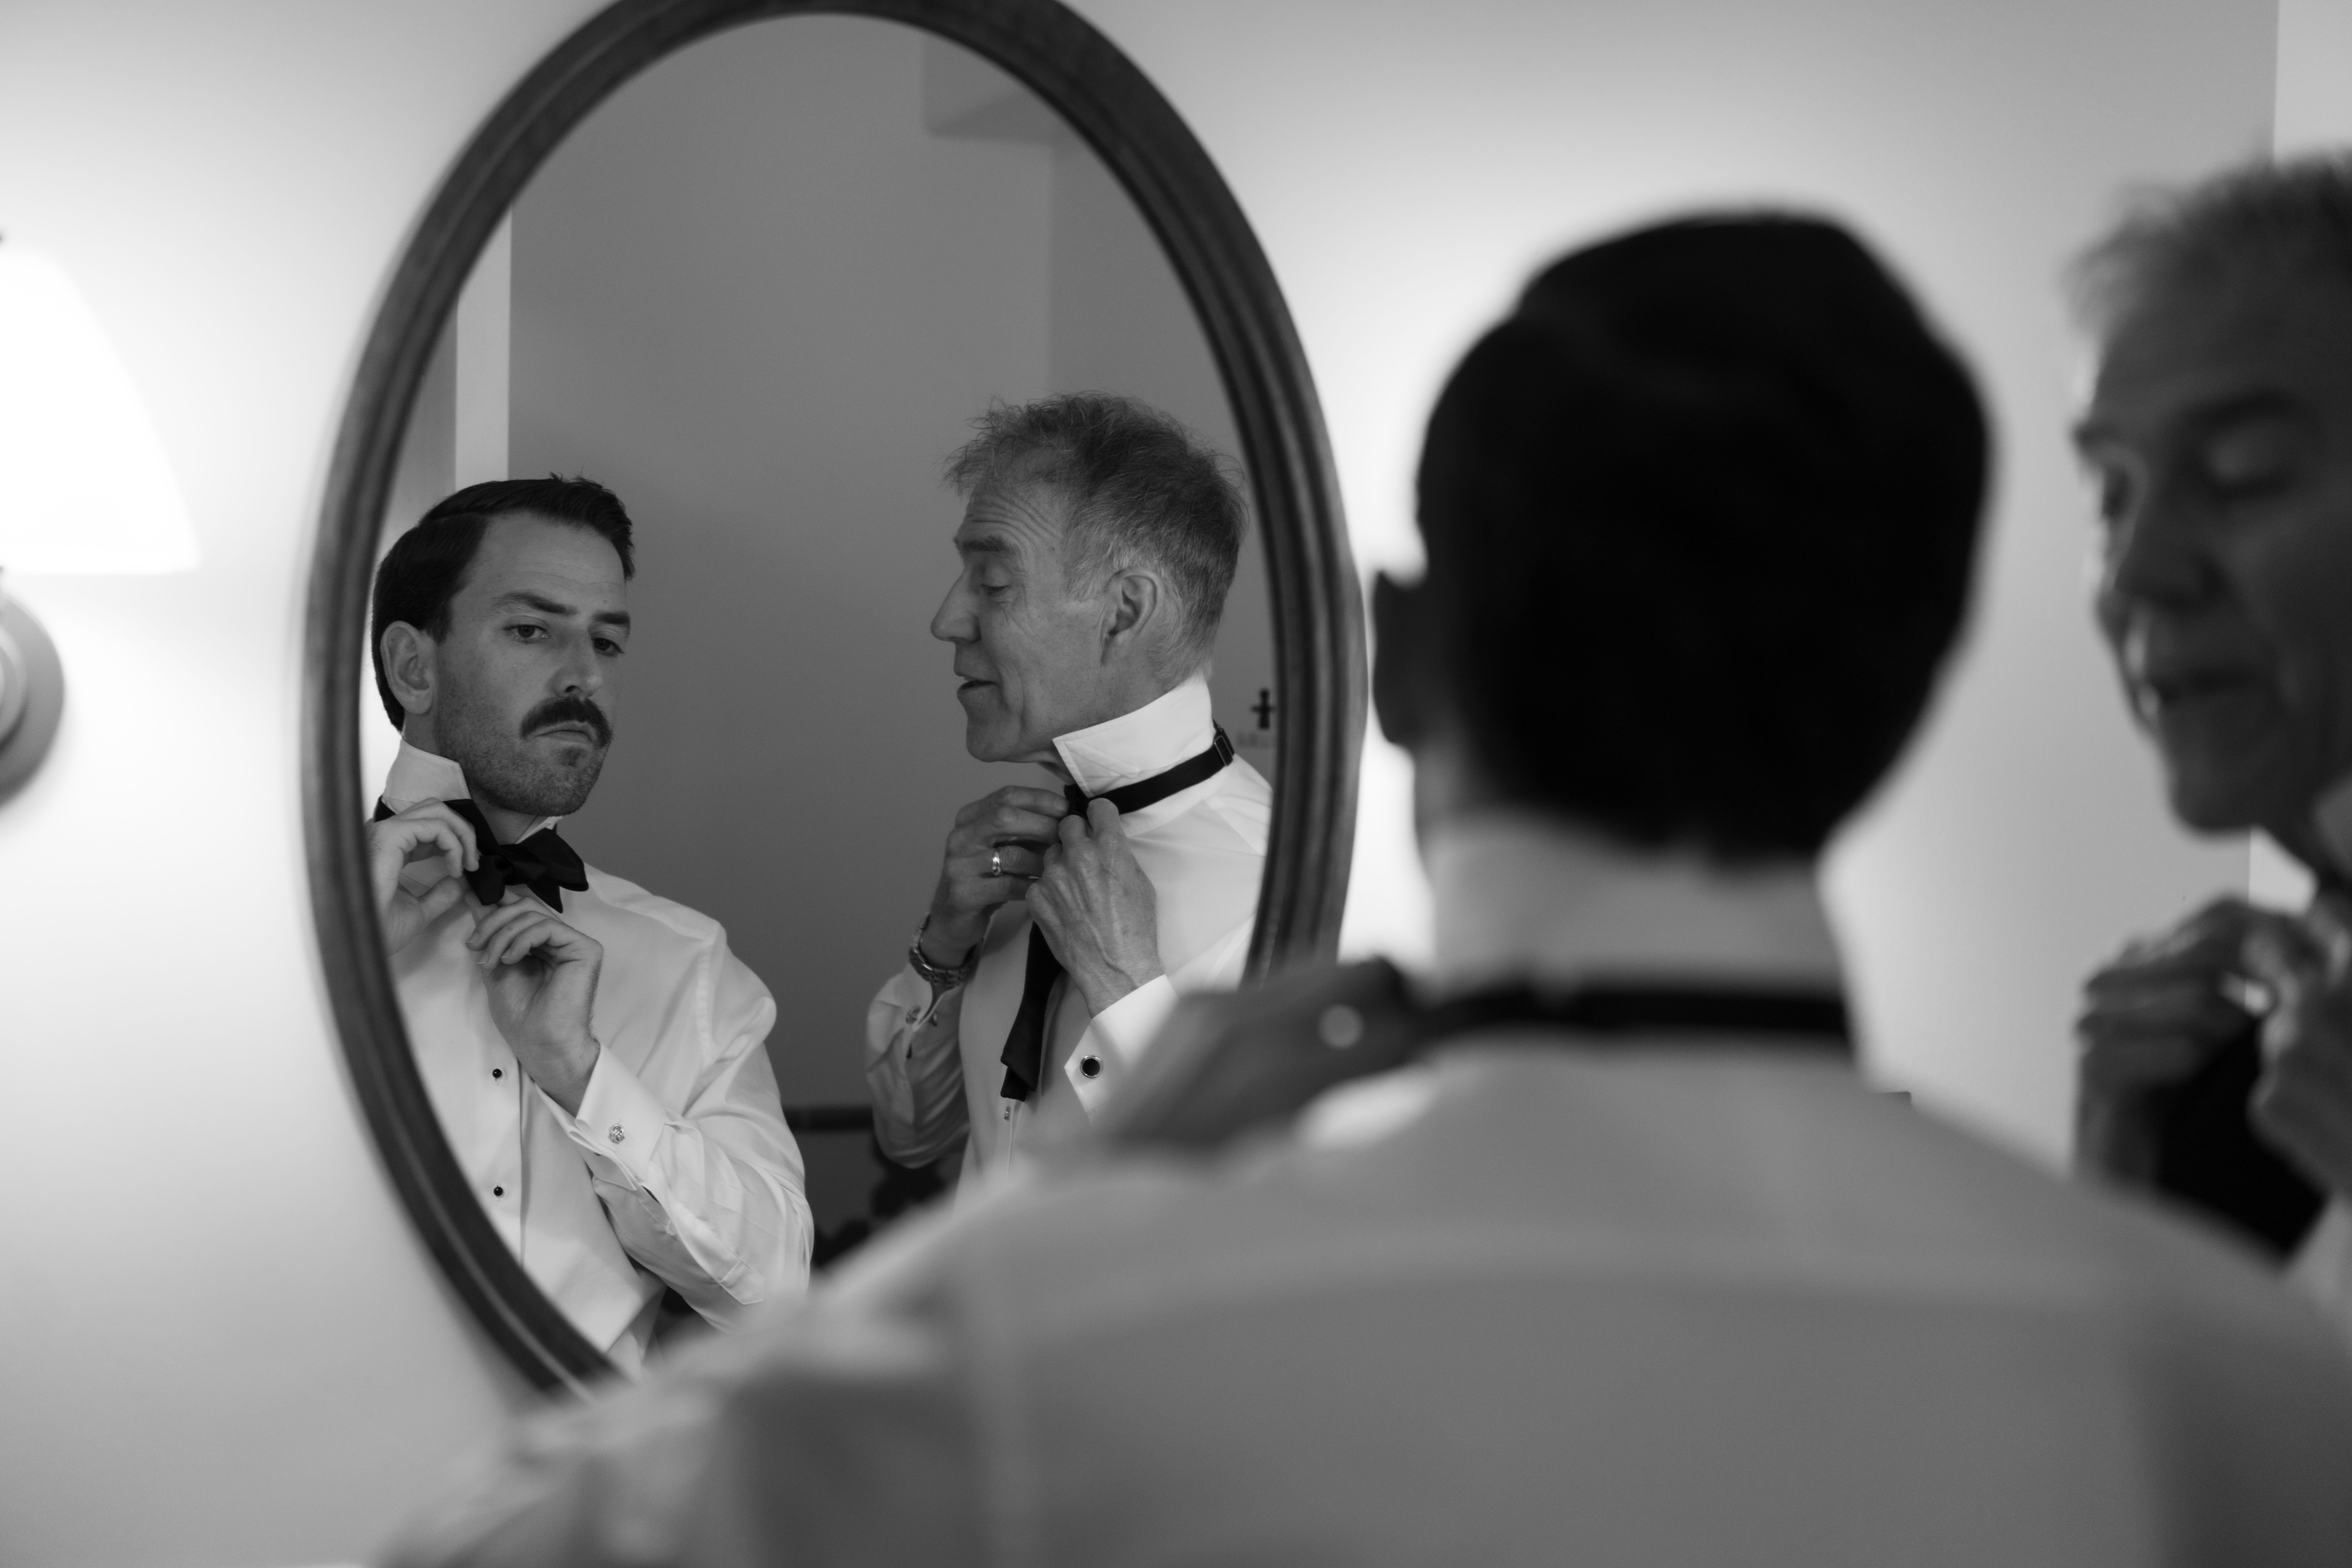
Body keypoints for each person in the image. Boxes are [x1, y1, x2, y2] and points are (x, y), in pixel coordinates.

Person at [387, 219, 2352, 1568]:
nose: (941, 622)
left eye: (981, 576)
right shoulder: (2243, 1382)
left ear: (1388, 663)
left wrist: (1076, 1205)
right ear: (1917, 688)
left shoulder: (1084, 1324)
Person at [367, 476, 811, 1374]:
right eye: (532, 631)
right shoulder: (256, 935)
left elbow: (772, 1292)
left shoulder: (686, 962)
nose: (586, 676)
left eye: (606, 641)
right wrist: (331, 967)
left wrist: (584, 1077)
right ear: (415, 667)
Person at [2070, 156, 2352, 1325]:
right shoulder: (2225, 1080)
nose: (2137, 573)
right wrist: (2118, 1206)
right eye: (2111, 494)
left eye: (2241, 478)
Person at [864, 392, 1268, 1183]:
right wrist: (945, 947)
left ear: (1124, 612)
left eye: (992, 583)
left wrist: (1126, 991)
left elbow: (1267, 1222)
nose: (947, 619)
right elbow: (911, 1138)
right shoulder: (1015, 864)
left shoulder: (1276, 893)